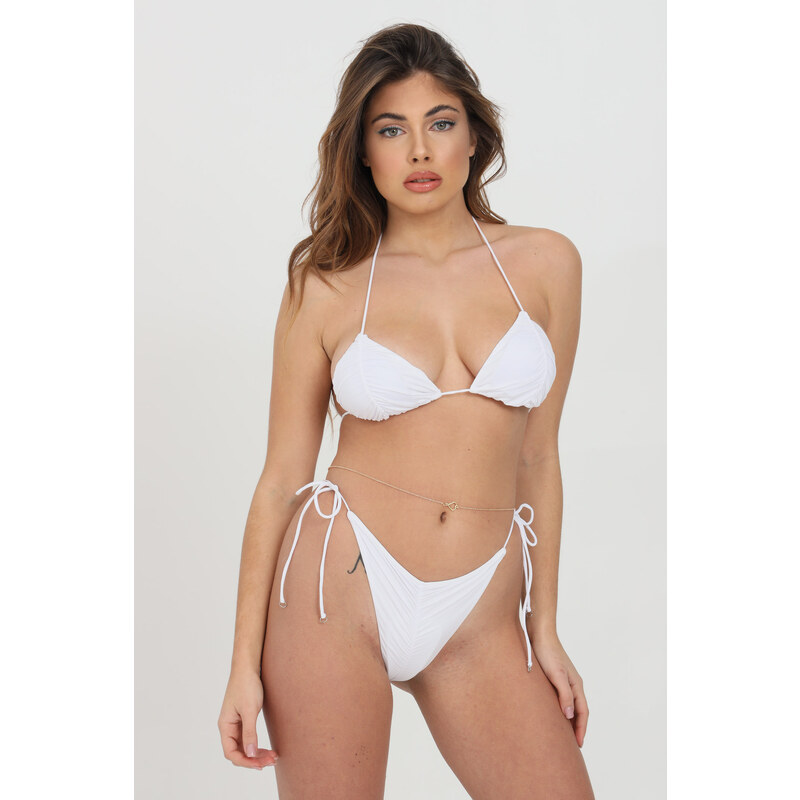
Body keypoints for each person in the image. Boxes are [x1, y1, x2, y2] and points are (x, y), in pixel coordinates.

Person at [218, 22, 594, 798]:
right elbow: (281, 478)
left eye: (440, 123)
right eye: (392, 130)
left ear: (474, 137)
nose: (420, 151)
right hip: (336, 591)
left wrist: (545, 628)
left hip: (482, 610)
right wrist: (241, 667)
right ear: (363, 150)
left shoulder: (546, 263)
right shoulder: (326, 285)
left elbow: (538, 454)